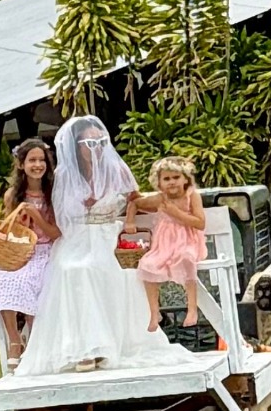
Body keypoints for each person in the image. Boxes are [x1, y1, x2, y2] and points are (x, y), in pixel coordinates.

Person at [15, 115, 192, 376]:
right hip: (77, 238)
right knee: (70, 268)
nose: (95, 148)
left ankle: (105, 344)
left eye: (100, 142)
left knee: (98, 266)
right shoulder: (65, 175)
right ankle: (80, 346)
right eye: (89, 143)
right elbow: (62, 218)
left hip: (108, 235)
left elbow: (136, 198)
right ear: (77, 146)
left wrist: (163, 204)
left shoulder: (116, 169)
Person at [0, 139, 61, 372]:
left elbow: (56, 234)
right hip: (22, 251)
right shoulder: (13, 195)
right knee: (1, 279)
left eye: (42, 160)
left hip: (47, 251)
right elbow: (13, 231)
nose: (38, 165)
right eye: (32, 160)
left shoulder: (54, 194)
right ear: (22, 165)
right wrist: (22, 220)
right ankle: (15, 340)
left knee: (32, 282)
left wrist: (37, 216)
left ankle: (36, 338)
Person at [126, 156, 207, 333]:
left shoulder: (191, 196)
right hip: (164, 246)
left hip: (187, 241)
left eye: (176, 177)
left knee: (186, 259)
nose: (171, 182)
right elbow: (135, 202)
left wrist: (176, 213)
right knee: (147, 265)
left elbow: (200, 223)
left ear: (186, 178)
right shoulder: (160, 199)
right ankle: (155, 313)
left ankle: (192, 308)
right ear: (159, 183)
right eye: (167, 179)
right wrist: (130, 221)